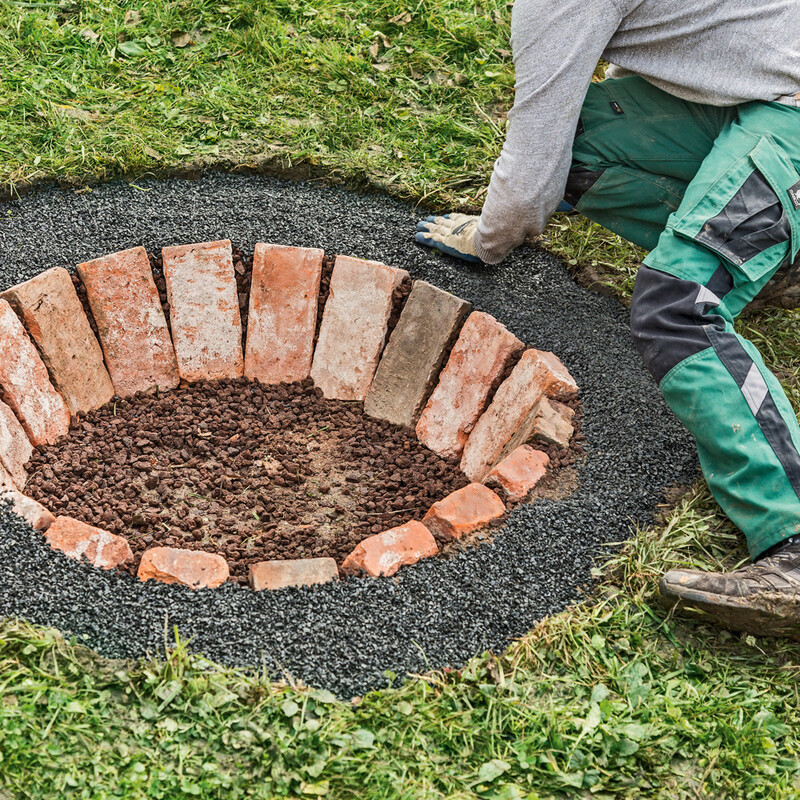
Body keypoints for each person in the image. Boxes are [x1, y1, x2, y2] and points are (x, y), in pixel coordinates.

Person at [415, 0, 800, 637]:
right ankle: (766, 254)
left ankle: (792, 534)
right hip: (760, 95)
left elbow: (535, 143)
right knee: (583, 142)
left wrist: (488, 238)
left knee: (676, 305)